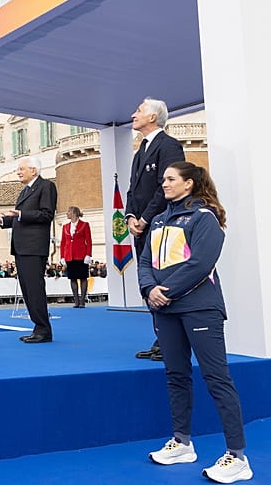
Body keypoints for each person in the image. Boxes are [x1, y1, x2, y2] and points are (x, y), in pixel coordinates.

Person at [140, 162, 252, 483]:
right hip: (165, 311)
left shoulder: (205, 218)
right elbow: (146, 261)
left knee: (217, 379)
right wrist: (149, 289)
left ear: (188, 184)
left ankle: (238, 456)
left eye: (170, 179)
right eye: (163, 179)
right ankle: (183, 443)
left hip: (200, 310)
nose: (164, 184)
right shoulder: (159, 219)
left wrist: (166, 291)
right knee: (176, 376)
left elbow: (201, 263)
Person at [126, 97, 186, 361]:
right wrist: (130, 216)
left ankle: (172, 341)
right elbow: (133, 190)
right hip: (142, 227)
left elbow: (167, 188)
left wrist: (146, 218)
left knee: (164, 281)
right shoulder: (141, 150)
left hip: (161, 226)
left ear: (153, 117)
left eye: (138, 111)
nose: (133, 114)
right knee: (148, 281)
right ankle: (162, 336)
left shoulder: (169, 145)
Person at [0, 156, 57, 343]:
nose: (18, 172)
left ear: (34, 170)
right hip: (22, 247)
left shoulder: (46, 186)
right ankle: (38, 327)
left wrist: (21, 214)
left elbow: (46, 214)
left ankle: (43, 330)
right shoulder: (25, 191)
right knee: (27, 290)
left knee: (34, 289)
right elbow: (18, 218)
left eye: (21, 169)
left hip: (34, 247)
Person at [60, 206, 93, 308]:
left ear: (74, 213)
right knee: (72, 278)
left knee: (83, 278)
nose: (67, 213)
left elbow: (89, 241)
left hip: (81, 255)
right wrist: (62, 256)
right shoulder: (65, 227)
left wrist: (88, 254)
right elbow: (63, 242)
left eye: (68, 211)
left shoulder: (84, 225)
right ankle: (76, 301)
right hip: (69, 256)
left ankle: (82, 300)